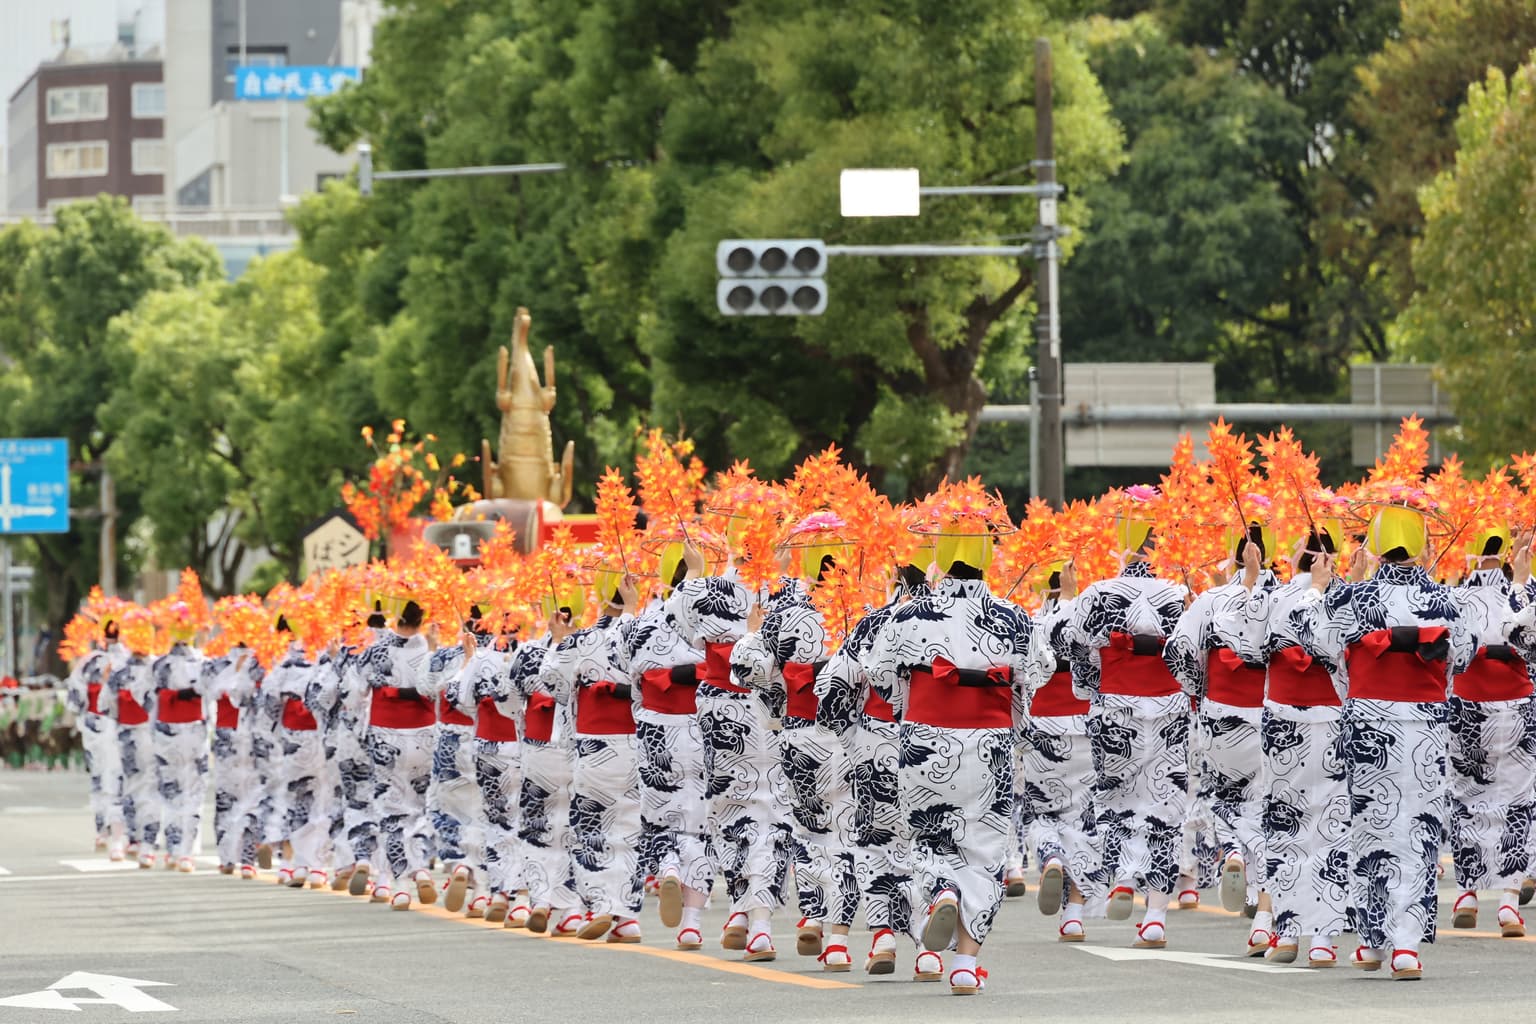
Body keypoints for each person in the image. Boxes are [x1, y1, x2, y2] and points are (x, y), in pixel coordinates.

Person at [1290, 504, 1491, 979]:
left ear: (1375, 547)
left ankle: (1373, 940)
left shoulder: (1353, 600)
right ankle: (1407, 947)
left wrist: (1327, 589)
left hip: (1369, 722)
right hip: (1424, 722)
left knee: (1370, 826)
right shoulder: (1447, 603)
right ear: (1422, 546)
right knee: (1417, 829)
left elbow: (1317, 644)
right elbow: (1461, 658)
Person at [863, 515, 1034, 996]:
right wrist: (1011, 722)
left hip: (924, 734)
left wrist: (907, 710)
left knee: (928, 836)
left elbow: (880, 673)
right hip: (989, 739)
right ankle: (964, 963)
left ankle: (941, 889)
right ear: (985, 556)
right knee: (984, 848)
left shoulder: (908, 614)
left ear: (939, 554)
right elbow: (1033, 676)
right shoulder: (1013, 614)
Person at [1222, 525, 1351, 967]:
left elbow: (1248, 648)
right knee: (1330, 824)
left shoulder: (1274, 597)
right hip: (1331, 715)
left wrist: (1256, 581)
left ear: (1298, 556)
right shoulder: (1349, 597)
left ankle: (1288, 931)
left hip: (1283, 718)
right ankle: (1322, 939)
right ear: (1331, 558)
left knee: (1286, 823)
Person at [733, 521, 859, 972]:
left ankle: (812, 914)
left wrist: (751, 633)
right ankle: (840, 941)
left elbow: (749, 673)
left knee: (807, 832)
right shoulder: (863, 607)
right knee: (847, 835)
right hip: (853, 737)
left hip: (801, 731)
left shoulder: (786, 610)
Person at [1066, 514, 1190, 949]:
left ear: (1120, 546)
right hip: (1170, 705)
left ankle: (1121, 877)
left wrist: (1089, 687)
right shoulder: (1178, 593)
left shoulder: (1098, 592)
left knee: (1115, 796)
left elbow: (1074, 646)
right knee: (1167, 804)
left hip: (1116, 705)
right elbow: (1190, 654)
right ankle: (1155, 915)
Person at [669, 540, 794, 961]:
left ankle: (742, 912)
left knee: (729, 810)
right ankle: (756, 921)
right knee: (774, 813)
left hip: (722, 710)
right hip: (776, 710)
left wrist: (695, 571)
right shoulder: (792, 592)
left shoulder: (708, 590)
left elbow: (673, 627)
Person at [1165, 525, 1279, 951]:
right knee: (1270, 809)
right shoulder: (1283, 598)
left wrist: (1199, 691)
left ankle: (1233, 850)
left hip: (1222, 713)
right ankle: (1264, 915)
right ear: (1267, 558)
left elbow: (1175, 650)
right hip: (1274, 713)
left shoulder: (1212, 600)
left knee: (1228, 800)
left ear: (1234, 559)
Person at [817, 564, 929, 979]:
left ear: (895, 587)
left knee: (875, 839)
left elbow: (833, 687)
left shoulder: (874, 622)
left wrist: (850, 737)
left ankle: (882, 933)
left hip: (876, 739)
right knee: (931, 841)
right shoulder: (951, 622)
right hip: (937, 739)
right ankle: (928, 950)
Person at [611, 545, 714, 950]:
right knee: (701, 826)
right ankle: (691, 923)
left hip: (656, 726)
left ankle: (668, 864)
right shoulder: (715, 617)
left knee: (658, 816)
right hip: (703, 726)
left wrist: (633, 605)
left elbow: (625, 668)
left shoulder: (642, 624)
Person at [541, 576, 646, 942]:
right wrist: (634, 611)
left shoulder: (582, 640)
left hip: (593, 743)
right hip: (636, 740)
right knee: (631, 828)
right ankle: (628, 917)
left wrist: (557, 641)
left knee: (593, 828)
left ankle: (601, 905)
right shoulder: (644, 629)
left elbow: (552, 683)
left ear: (599, 595)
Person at [1446, 526, 1536, 938]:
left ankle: (1467, 893)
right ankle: (1508, 903)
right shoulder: (1524, 589)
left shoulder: (1455, 597)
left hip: (1468, 703)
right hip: (1516, 701)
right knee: (1518, 800)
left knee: (1468, 796)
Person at [1022, 562, 1108, 943]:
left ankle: (1050, 855)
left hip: (1043, 725)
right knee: (1083, 818)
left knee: (1040, 810)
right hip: (1085, 727)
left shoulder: (1029, 624)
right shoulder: (1090, 620)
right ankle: (1074, 913)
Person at [361, 600, 440, 910]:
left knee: (391, 809)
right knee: (421, 805)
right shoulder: (430, 649)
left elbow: (353, 692)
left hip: (386, 734)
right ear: (422, 619)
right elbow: (437, 690)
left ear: (395, 616)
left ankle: (395, 883)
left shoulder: (376, 651)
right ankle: (420, 866)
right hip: (423, 734)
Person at [149, 634, 210, 873]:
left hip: (168, 732)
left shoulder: (160, 665)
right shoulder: (204, 663)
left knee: (172, 792)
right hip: (194, 731)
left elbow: (147, 701)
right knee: (192, 792)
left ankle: (175, 850)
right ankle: (185, 852)